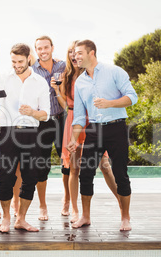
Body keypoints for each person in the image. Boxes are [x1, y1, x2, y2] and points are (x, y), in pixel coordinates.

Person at [67, 40, 138, 231]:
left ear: (92, 53)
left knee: (120, 174)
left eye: (80, 53)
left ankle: (125, 217)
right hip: (93, 130)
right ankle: (86, 216)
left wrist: (110, 103)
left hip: (116, 128)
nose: (76, 57)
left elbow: (132, 97)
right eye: (74, 54)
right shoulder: (80, 82)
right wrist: (73, 139)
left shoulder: (114, 71)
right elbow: (80, 116)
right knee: (86, 173)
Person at [0, 43, 50, 232]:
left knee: (30, 177)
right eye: (13, 61)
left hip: (31, 132)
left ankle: (21, 219)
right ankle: (6, 218)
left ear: (29, 58)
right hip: (7, 131)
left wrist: (32, 112)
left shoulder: (40, 82)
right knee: (6, 176)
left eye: (20, 61)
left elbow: (45, 114)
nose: (16, 65)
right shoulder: (4, 79)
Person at [57, 41, 121, 223]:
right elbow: (66, 104)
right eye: (71, 52)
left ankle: (121, 202)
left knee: (105, 167)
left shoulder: (95, 74)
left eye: (76, 52)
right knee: (74, 169)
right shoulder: (66, 76)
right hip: (74, 121)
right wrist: (56, 90)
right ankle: (76, 211)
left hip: (93, 121)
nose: (74, 55)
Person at [32, 36, 67, 221]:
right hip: (43, 123)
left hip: (62, 119)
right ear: (35, 50)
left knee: (67, 163)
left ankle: (67, 200)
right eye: (39, 48)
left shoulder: (63, 66)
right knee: (41, 165)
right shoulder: (31, 71)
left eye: (46, 47)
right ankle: (42, 206)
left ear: (52, 47)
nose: (43, 51)